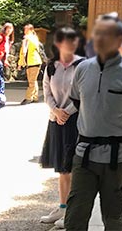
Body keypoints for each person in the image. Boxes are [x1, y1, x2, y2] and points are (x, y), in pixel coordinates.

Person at [64, 14, 122, 230]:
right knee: (75, 216)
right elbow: (76, 99)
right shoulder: (83, 69)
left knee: (113, 217)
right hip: (84, 153)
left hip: (117, 155)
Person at [40, 27, 84, 226]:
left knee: (73, 165)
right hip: (56, 119)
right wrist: (56, 111)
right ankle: (63, 206)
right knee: (62, 168)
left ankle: (73, 211)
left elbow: (83, 93)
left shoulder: (82, 66)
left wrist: (67, 112)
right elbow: (47, 92)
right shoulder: (51, 66)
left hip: (75, 120)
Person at [20, 23, 43, 104]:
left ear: (31, 30)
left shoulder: (33, 38)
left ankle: (28, 98)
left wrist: (28, 38)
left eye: (27, 29)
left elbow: (35, 45)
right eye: (25, 29)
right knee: (33, 80)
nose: (25, 31)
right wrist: (20, 63)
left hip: (35, 61)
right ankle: (35, 97)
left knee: (31, 81)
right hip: (29, 63)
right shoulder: (25, 40)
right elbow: (22, 53)